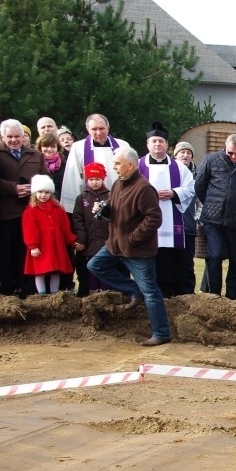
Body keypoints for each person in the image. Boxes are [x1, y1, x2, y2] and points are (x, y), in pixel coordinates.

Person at [87, 146, 172, 347]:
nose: (114, 167)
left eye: (117, 163)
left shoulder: (143, 188)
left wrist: (133, 238)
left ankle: (161, 333)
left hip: (137, 250)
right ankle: (134, 290)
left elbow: (154, 219)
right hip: (114, 244)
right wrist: (104, 210)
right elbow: (115, 210)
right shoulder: (118, 184)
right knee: (94, 265)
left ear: (131, 165)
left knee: (151, 291)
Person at [194, 134, 236, 300]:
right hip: (213, 219)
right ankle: (214, 296)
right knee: (214, 256)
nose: (234, 157)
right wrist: (211, 204)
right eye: (230, 153)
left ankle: (231, 297)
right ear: (225, 147)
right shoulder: (211, 160)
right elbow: (199, 186)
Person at [138, 122, 195, 298]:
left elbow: (191, 188)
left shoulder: (179, 167)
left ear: (167, 145)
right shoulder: (138, 166)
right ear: (147, 144)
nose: (157, 144)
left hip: (172, 222)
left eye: (161, 141)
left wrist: (173, 193)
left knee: (171, 263)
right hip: (146, 221)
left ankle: (172, 293)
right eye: (154, 141)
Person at [1, 119, 47, 297]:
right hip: (6, 214)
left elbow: (46, 179)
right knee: (6, 253)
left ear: (23, 136)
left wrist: (34, 188)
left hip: (31, 212)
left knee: (27, 253)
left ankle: (27, 290)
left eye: (17, 136)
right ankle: (7, 291)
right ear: (3, 137)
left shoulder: (35, 155)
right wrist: (13, 188)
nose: (14, 140)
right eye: (9, 136)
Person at [60, 114, 130, 213]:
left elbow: (130, 173)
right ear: (88, 129)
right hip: (91, 203)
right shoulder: (78, 148)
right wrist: (75, 208)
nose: (98, 132)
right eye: (94, 129)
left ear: (108, 128)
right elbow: (73, 178)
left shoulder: (123, 146)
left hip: (120, 201)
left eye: (102, 128)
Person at [22, 174, 78, 295]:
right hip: (40, 246)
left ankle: (54, 295)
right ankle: (42, 296)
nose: (43, 195)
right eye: (40, 192)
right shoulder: (31, 210)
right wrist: (33, 246)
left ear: (51, 193)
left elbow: (65, 228)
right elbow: (29, 229)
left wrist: (72, 241)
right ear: (35, 193)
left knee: (55, 271)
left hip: (56, 246)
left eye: (47, 192)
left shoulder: (58, 208)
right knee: (39, 272)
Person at [71, 162, 111, 295]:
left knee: (106, 268)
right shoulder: (82, 198)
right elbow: (78, 220)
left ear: (103, 179)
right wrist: (81, 241)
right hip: (89, 243)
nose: (94, 182)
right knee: (90, 269)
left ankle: (106, 294)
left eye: (97, 179)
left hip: (107, 242)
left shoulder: (110, 196)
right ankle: (93, 294)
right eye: (91, 179)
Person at [173, 141, 200, 294]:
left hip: (189, 227)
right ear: (175, 155)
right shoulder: (170, 173)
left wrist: (197, 219)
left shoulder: (198, 175)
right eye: (182, 152)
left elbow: (201, 200)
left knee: (187, 263)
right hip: (170, 226)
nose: (185, 155)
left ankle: (188, 292)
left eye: (188, 152)